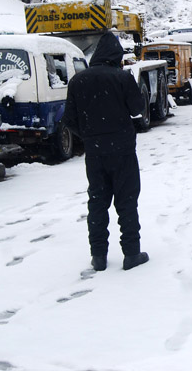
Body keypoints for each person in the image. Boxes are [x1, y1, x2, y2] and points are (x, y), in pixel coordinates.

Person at [62, 32, 149, 271]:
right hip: (123, 150)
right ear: (116, 55)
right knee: (127, 200)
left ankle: (98, 256)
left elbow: (69, 119)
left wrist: (89, 136)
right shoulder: (122, 77)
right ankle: (131, 253)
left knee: (97, 202)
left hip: (95, 153)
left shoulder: (78, 81)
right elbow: (137, 109)